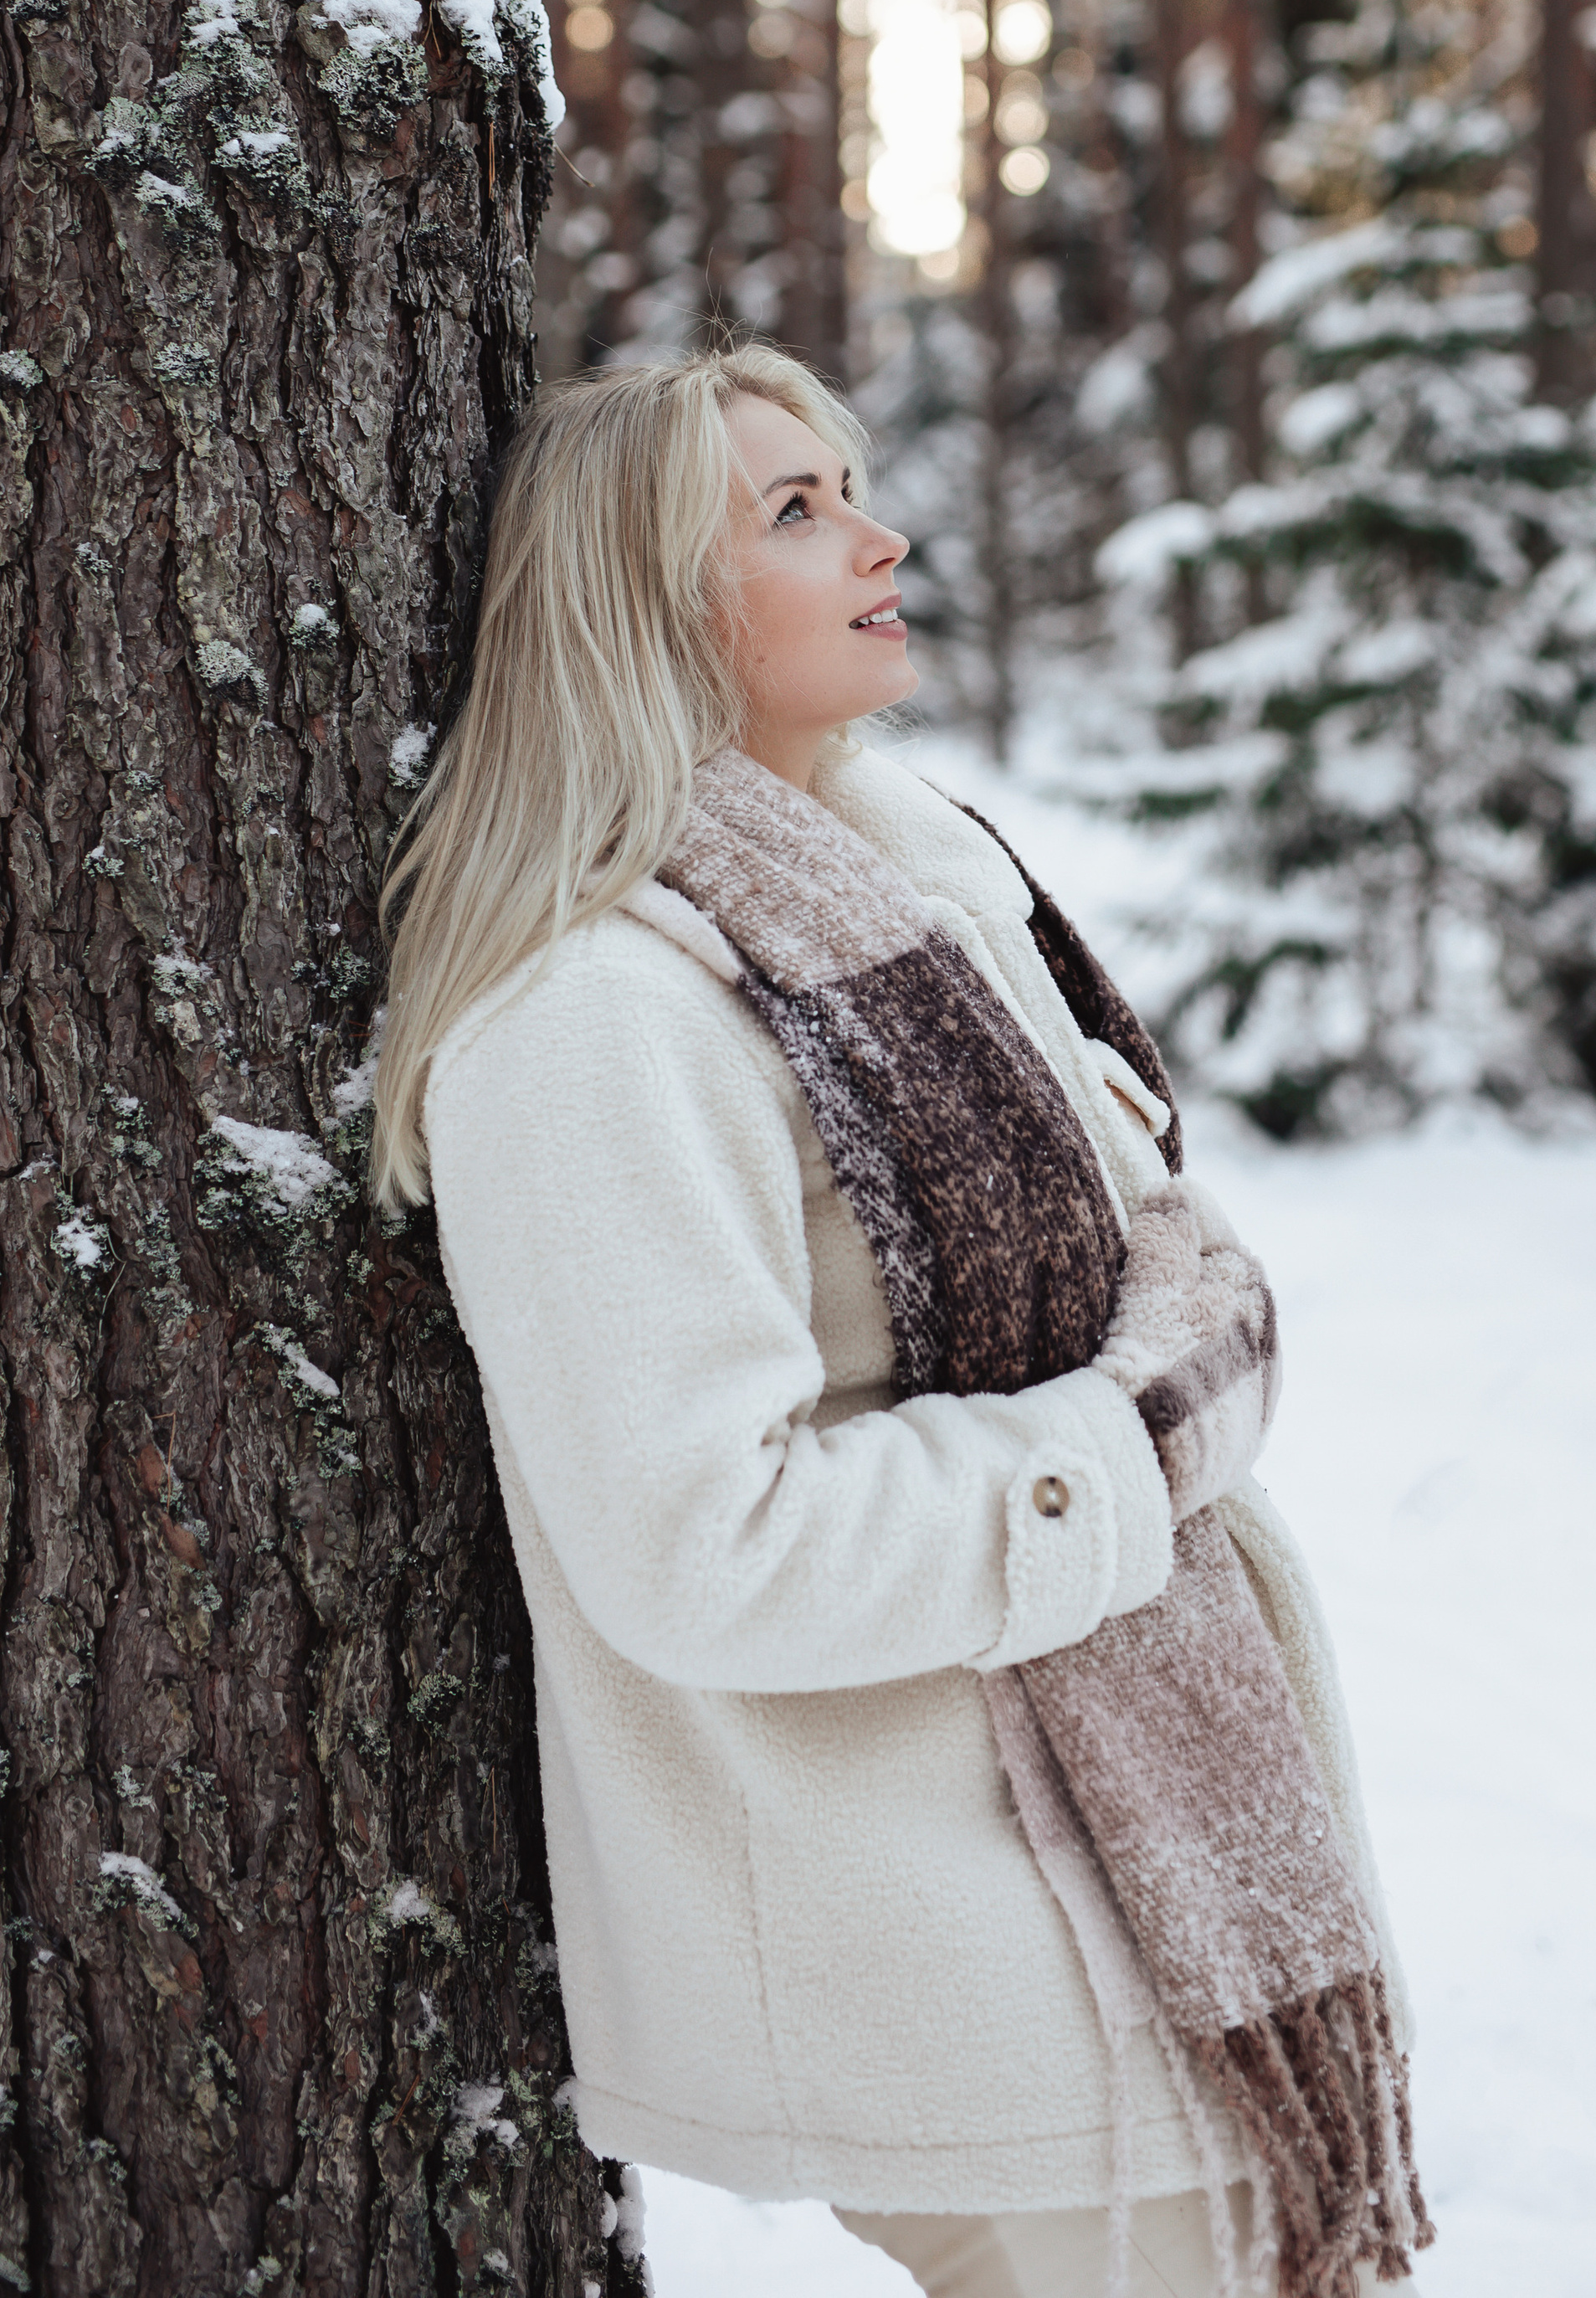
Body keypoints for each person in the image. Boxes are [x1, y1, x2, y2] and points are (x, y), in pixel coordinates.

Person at [372, 345, 1429, 2298]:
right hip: (958, 1944)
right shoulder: (596, 1013)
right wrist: (1127, 1448)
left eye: (847, 483)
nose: (881, 533)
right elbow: (704, 1546)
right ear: (644, 602)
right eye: (794, 511)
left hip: (1126, 1877)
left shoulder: (904, 883)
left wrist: (1167, 1357)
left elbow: (1133, 1243)